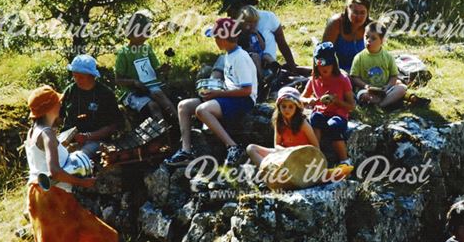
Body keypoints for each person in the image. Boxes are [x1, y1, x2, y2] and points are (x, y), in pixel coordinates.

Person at [24, 86, 137, 242]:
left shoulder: (35, 132)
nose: (61, 105)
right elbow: (54, 171)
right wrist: (83, 181)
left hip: (39, 195)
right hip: (55, 198)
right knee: (103, 239)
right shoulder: (48, 135)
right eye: (57, 102)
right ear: (51, 107)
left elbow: (43, 165)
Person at [166, 17, 257, 168]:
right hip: (229, 96)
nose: (215, 40)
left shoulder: (240, 57)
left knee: (202, 110)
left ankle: (233, 146)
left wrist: (217, 94)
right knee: (184, 106)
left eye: (216, 37)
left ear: (223, 38)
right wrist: (214, 91)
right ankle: (186, 151)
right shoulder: (229, 54)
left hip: (243, 101)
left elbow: (247, 90)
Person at [114, 10, 175, 124]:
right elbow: (118, 80)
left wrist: (162, 69)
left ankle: (178, 122)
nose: (146, 36)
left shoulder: (147, 48)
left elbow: (154, 72)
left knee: (159, 94)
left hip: (152, 87)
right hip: (134, 93)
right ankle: (163, 130)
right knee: (153, 106)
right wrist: (134, 82)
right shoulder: (123, 53)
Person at [59, 55, 125, 160]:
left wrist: (88, 136)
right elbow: (60, 117)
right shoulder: (70, 91)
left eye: (81, 77)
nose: (77, 80)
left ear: (92, 76)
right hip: (68, 141)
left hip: (95, 141)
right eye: (74, 76)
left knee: (78, 159)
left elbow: (113, 126)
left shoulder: (105, 94)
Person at [221, 0, 300, 73]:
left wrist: (293, 68)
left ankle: (272, 70)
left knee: (264, 57)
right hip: (244, 66)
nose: (229, 15)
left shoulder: (268, 17)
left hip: (266, 66)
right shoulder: (233, 26)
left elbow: (282, 43)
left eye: (230, 11)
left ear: (240, 6)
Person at [301, 42, 355, 165]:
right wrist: (309, 101)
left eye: (328, 64)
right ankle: (315, 155)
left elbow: (351, 106)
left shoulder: (342, 79)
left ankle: (344, 160)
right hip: (321, 112)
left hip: (338, 115)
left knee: (333, 126)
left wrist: (337, 101)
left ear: (334, 64)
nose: (324, 68)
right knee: (315, 118)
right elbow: (301, 98)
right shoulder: (314, 78)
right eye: (320, 64)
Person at [246, 86, 319, 166]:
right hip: (284, 154)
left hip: (301, 157)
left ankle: (275, 171)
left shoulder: (303, 123)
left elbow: (316, 147)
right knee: (251, 148)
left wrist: (297, 154)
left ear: (296, 108)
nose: (287, 110)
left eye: (291, 107)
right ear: (279, 106)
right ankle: (267, 169)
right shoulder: (279, 121)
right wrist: (286, 151)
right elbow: (276, 145)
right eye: (284, 106)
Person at [349, 20, 407, 110]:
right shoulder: (359, 57)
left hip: (385, 90)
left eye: (373, 38)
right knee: (363, 95)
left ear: (382, 40)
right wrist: (365, 86)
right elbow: (354, 77)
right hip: (367, 90)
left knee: (402, 88)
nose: (368, 41)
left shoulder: (388, 57)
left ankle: (380, 104)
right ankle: (384, 102)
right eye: (366, 37)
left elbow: (394, 76)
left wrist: (388, 86)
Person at [322, 0, 371, 72]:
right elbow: (324, 53)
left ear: (367, 13)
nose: (358, 17)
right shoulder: (336, 23)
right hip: (337, 70)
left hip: (362, 72)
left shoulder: (371, 27)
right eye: (355, 12)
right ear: (347, 10)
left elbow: (377, 54)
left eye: (362, 13)